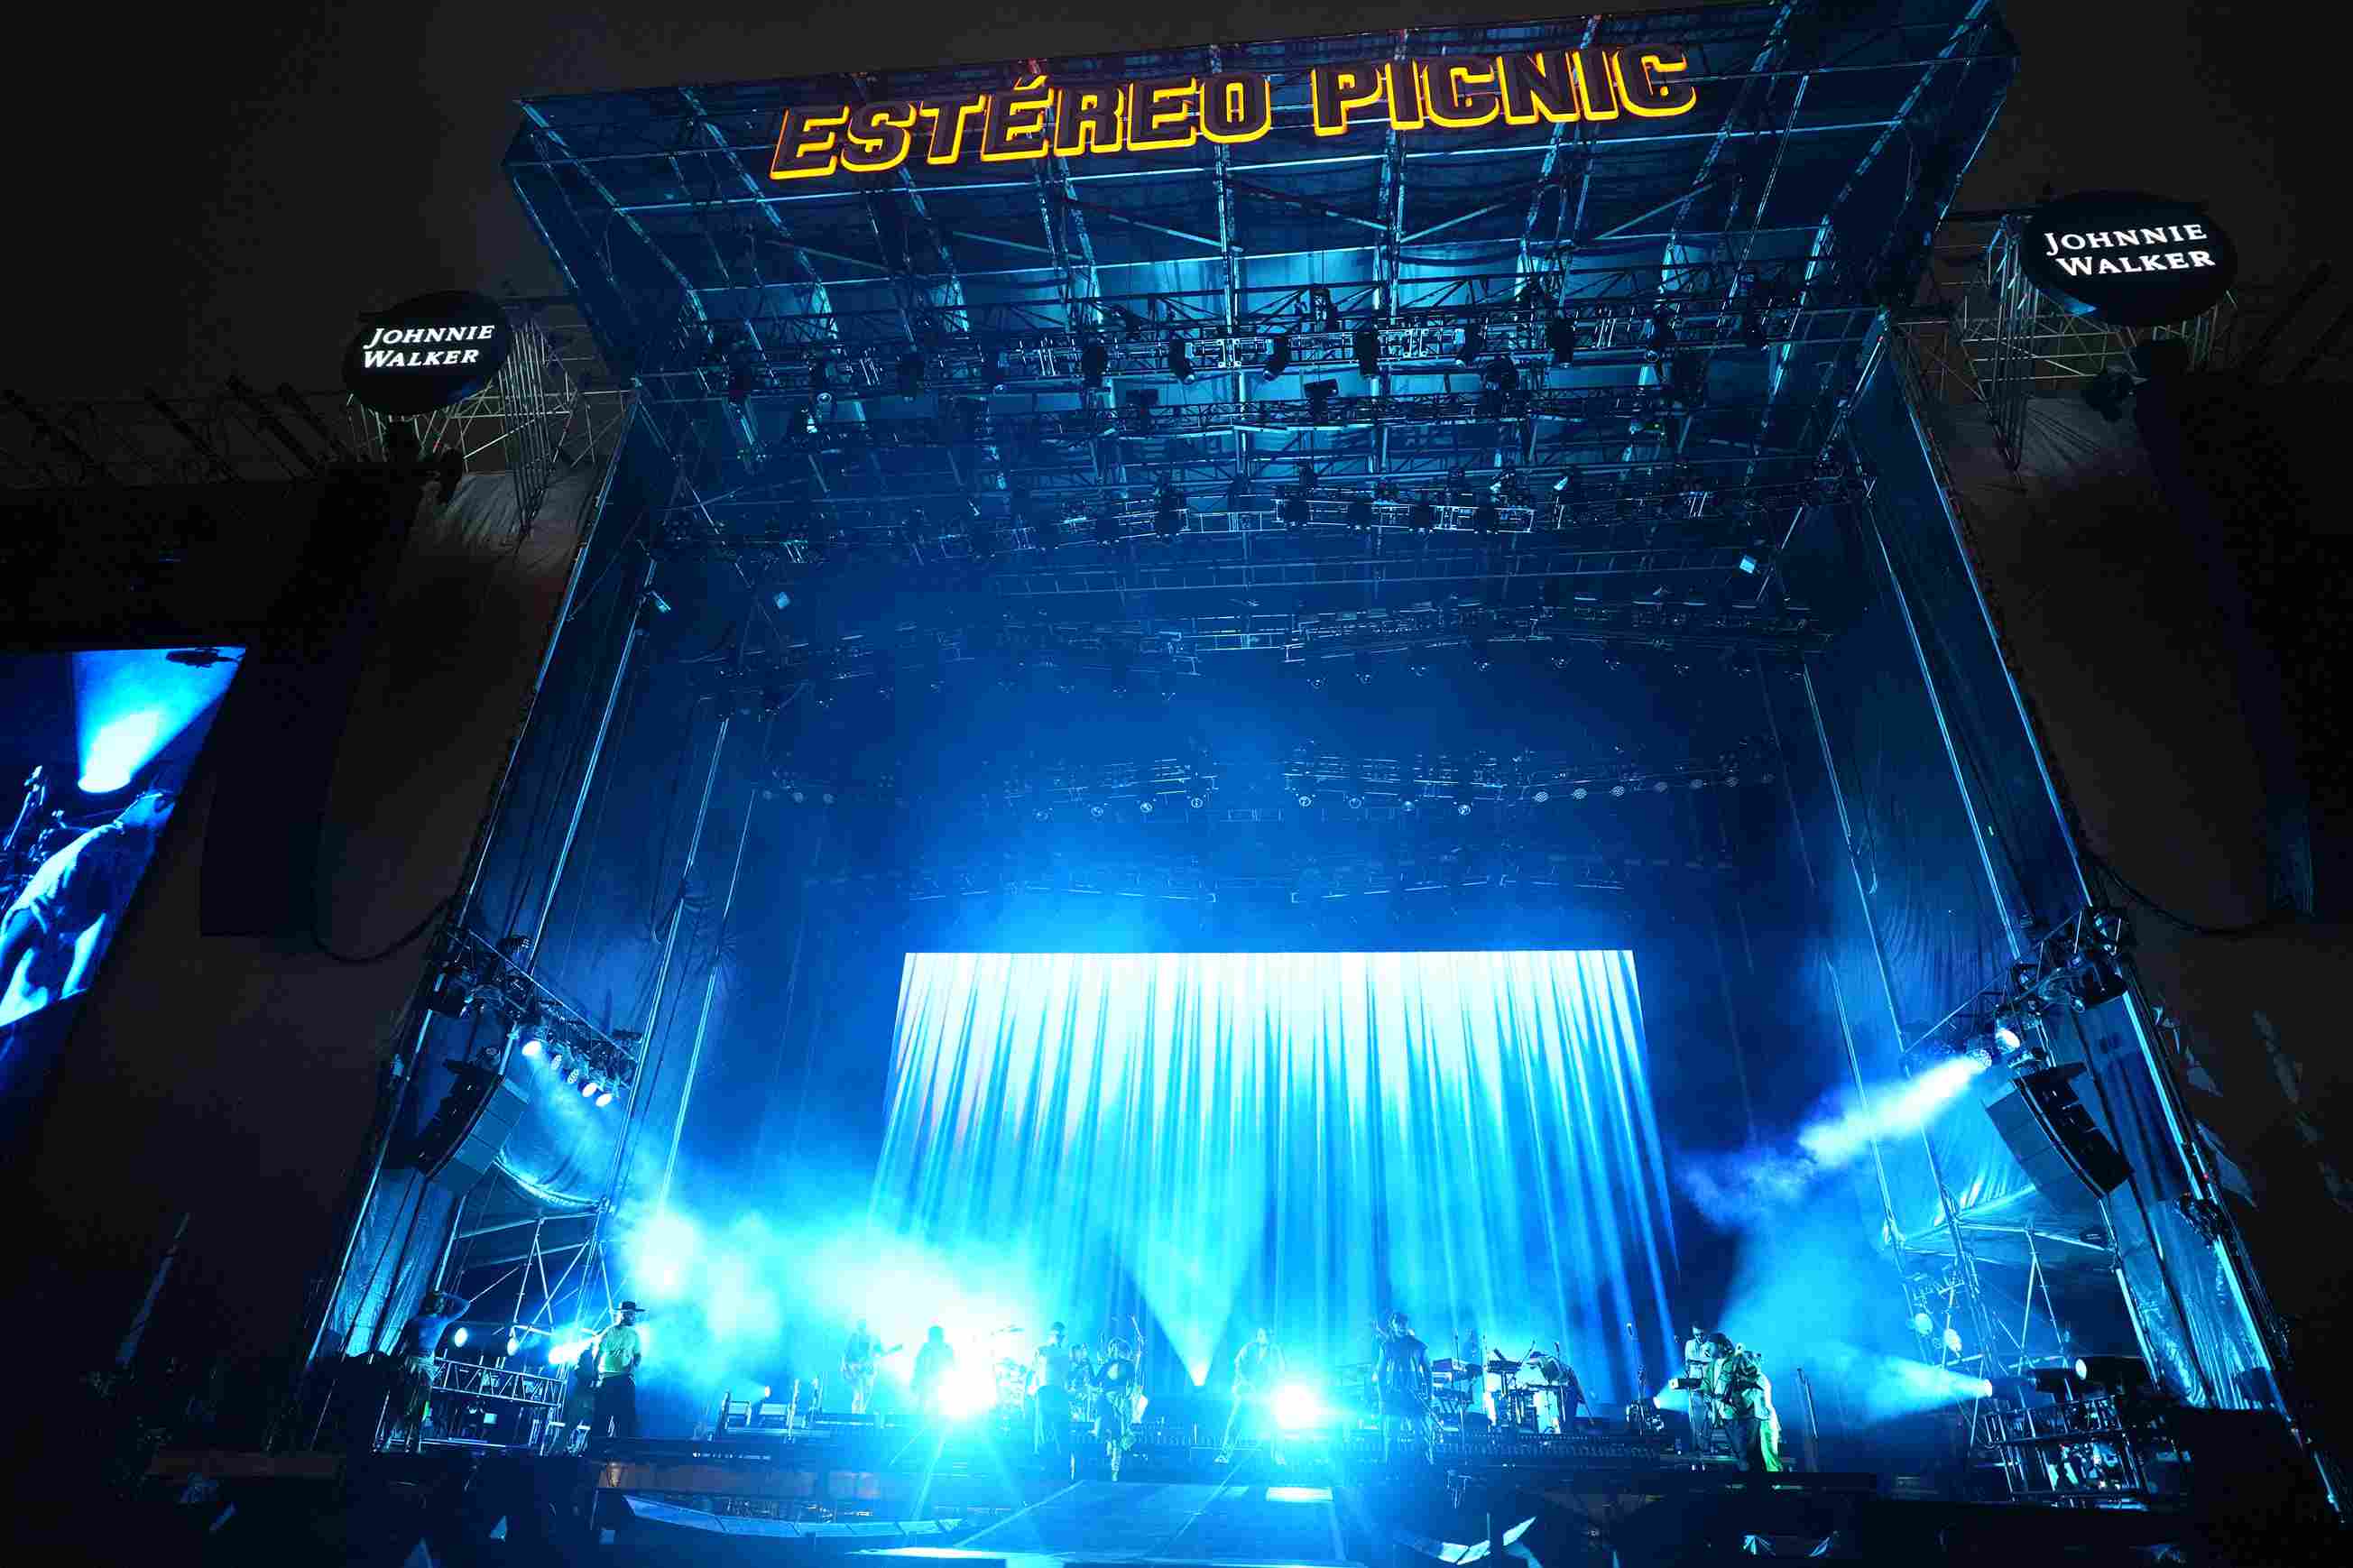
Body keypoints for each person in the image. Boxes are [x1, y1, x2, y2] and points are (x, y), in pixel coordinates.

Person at [0, 789, 174, 1024]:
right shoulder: (103, 843)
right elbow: (25, 925)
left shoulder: (130, 856)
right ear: (159, 803)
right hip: (23, 1015)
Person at [383, 1289, 471, 1453]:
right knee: (399, 1401)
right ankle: (387, 1438)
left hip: (426, 1365)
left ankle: (416, 1440)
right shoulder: (414, 1321)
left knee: (422, 1403)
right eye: (438, 1302)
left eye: (441, 1302)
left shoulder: (442, 1320)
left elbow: (465, 1305)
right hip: (410, 1362)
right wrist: (392, 1363)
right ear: (430, 1303)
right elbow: (399, 1345)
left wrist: (446, 1295)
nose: (440, 1304)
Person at [1218, 1326, 1285, 1462]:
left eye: (1269, 1334)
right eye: (1264, 1335)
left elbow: (1280, 1371)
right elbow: (1238, 1366)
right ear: (1259, 1336)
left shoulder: (1275, 1351)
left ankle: (1278, 1456)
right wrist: (1246, 1383)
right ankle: (1224, 1455)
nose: (1267, 1337)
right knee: (1235, 1422)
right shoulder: (1248, 1348)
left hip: (1265, 1393)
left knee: (1275, 1424)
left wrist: (1270, 1386)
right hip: (1246, 1392)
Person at [1374, 1310, 1433, 1463]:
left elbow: (1428, 1372)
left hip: (1414, 1397)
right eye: (1398, 1324)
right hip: (1394, 1397)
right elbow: (1380, 1373)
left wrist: (1430, 1396)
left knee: (1421, 1435)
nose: (1401, 1327)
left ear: (1407, 1325)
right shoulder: (1387, 1346)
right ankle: (1391, 1467)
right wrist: (1382, 1397)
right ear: (1393, 1326)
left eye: (1404, 1324)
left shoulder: (1418, 1346)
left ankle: (1424, 1467)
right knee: (1391, 1436)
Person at [1720, 1346, 1784, 1480]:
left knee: (1770, 1458)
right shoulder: (1751, 1379)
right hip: (1759, 1423)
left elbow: (1749, 1398)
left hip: (1766, 1423)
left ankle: (1778, 1486)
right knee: (1760, 1460)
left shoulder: (1759, 1379)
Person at [590, 1301, 645, 1444]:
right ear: (622, 1314)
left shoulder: (634, 1334)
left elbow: (638, 1354)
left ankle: (624, 1450)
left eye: (634, 1315)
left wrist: (634, 1365)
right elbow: (598, 1354)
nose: (634, 1317)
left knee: (626, 1419)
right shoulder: (608, 1332)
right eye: (631, 1314)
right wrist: (596, 1375)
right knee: (602, 1417)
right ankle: (596, 1450)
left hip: (625, 1379)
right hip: (607, 1379)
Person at [1094, 1324, 1141, 1480]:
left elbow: (1131, 1384)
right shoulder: (1106, 1365)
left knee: (1118, 1437)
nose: (1114, 1349)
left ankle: (1115, 1470)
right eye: (1112, 1347)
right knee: (1109, 1434)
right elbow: (1095, 1382)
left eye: (1116, 1347)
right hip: (1107, 1401)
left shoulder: (1128, 1365)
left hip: (1120, 1402)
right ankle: (1111, 1458)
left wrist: (1125, 1396)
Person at [1030, 1323, 1074, 1461]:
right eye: (1058, 1335)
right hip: (1045, 1391)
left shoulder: (1067, 1354)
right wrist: (1026, 1395)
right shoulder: (1042, 1350)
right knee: (1044, 1427)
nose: (1060, 1338)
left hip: (1060, 1392)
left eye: (1063, 1336)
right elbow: (1032, 1373)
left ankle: (1059, 1459)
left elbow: (1068, 1377)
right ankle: (1044, 1456)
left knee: (1061, 1427)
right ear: (1051, 1335)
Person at [841, 1317, 899, 1415]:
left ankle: (861, 1413)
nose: (861, 1331)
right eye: (859, 1328)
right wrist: (846, 1367)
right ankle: (856, 1415)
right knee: (859, 1393)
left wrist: (892, 1350)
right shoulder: (854, 1337)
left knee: (867, 1392)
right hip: (855, 1369)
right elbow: (846, 1353)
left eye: (863, 1328)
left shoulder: (874, 1338)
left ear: (866, 1327)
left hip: (868, 1370)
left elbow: (882, 1352)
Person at [911, 1325, 955, 1422]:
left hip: (937, 1378)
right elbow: (919, 1364)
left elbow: (952, 1364)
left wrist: (916, 1379)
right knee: (926, 1400)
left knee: (933, 1400)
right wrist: (916, 1379)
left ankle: (929, 1418)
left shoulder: (940, 1348)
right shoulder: (928, 1347)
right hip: (931, 1378)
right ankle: (923, 1418)